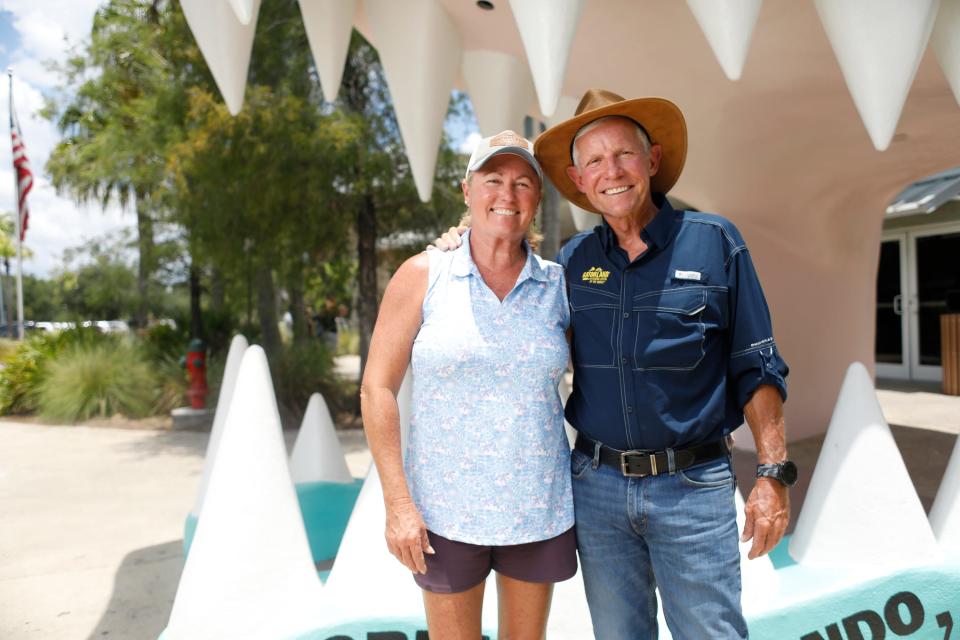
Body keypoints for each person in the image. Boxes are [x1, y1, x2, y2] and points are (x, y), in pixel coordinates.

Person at [436, 89, 796, 639]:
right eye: (595, 162)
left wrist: (772, 475)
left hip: (693, 487)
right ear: (579, 181)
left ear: (651, 161)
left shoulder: (716, 242)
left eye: (624, 154)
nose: (613, 172)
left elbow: (757, 365)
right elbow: (507, 275)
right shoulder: (571, 263)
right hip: (598, 490)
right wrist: (465, 237)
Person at [360, 130, 577, 639]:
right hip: (443, 514)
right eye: (493, 179)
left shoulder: (558, 287)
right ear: (467, 190)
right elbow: (377, 390)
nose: (508, 194)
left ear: (537, 200)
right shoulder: (423, 274)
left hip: (536, 509)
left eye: (523, 183)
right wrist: (399, 505)